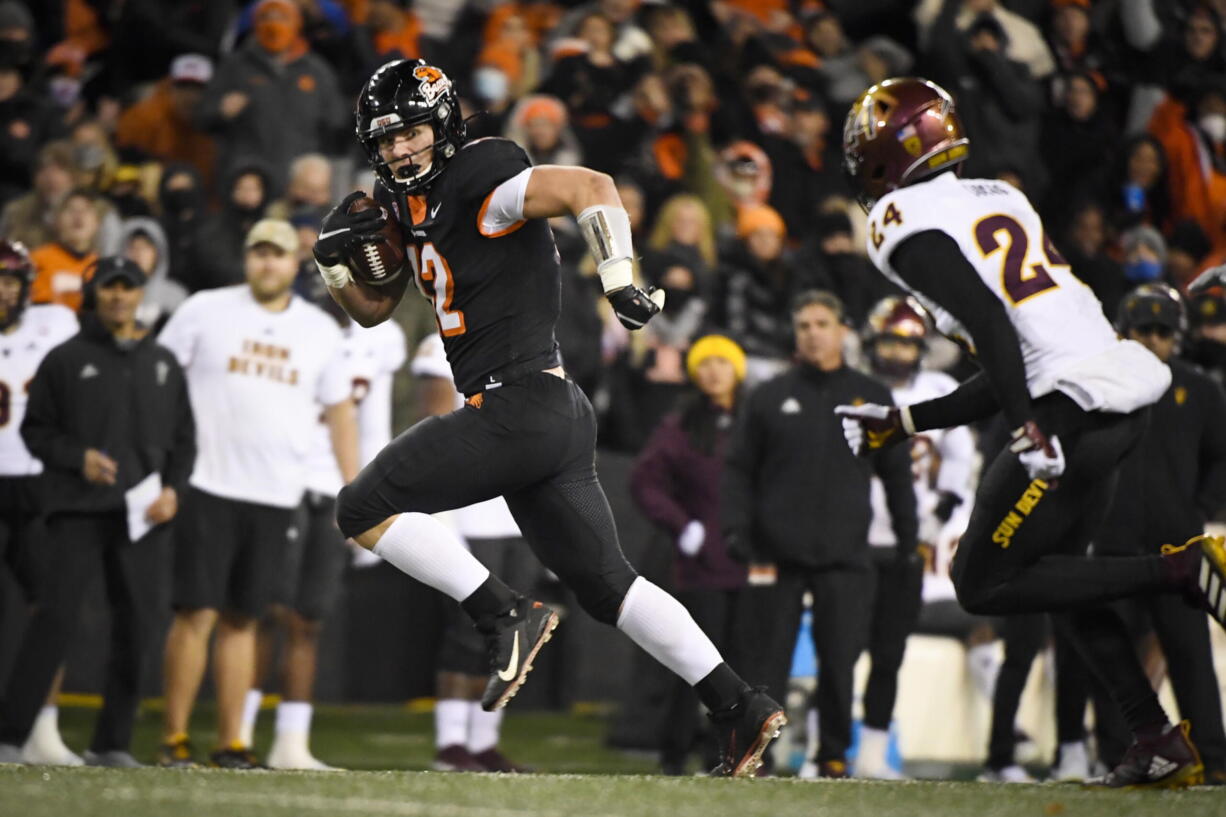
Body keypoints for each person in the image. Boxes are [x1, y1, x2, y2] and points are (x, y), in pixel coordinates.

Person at [312, 59, 784, 778]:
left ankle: (504, 613)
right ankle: (738, 704)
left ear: (440, 120)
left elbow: (591, 188)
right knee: (608, 586)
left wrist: (620, 274)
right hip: (547, 413)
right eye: (387, 140)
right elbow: (376, 311)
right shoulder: (402, 199)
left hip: (519, 401)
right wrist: (340, 269)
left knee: (362, 507)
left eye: (410, 132)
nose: (401, 150)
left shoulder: (482, 173)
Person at [836, 76, 1226, 788]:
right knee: (1049, 579)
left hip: (1065, 412)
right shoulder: (1000, 196)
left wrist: (1024, 425)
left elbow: (991, 325)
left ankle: (1179, 570)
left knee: (980, 581)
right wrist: (910, 419)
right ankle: (1155, 735)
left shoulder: (895, 217)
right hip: (1116, 393)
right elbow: (1026, 343)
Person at [156, 219, 358, 769]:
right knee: (195, 612)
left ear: (296, 263)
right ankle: (174, 736)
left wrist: (355, 491)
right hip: (206, 482)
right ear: (247, 258)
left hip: (277, 493)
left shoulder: (319, 329)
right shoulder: (204, 308)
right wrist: (157, 468)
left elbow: (339, 413)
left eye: (278, 255)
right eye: (259, 253)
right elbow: (159, 380)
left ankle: (233, 741)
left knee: (244, 618)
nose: (268, 264)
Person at [0, 256, 195, 768]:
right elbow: (34, 430)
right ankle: (10, 736)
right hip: (77, 511)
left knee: (137, 625)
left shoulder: (163, 361)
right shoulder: (64, 360)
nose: (118, 297)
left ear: (139, 295)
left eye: (127, 288)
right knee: (55, 620)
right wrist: (76, 458)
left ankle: (111, 743)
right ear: (93, 295)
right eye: (108, 288)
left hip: (144, 516)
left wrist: (174, 490)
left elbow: (185, 440)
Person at [721, 290, 917, 778]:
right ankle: (757, 757)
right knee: (766, 665)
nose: (813, 333)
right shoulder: (769, 395)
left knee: (839, 661)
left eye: (822, 324)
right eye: (804, 325)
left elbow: (896, 473)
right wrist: (736, 529)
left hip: (847, 553)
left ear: (843, 330)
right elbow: (740, 469)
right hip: (776, 551)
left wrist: (909, 538)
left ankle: (833, 757)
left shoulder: (872, 395)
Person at [1091, 283, 1226, 784]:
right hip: (1112, 546)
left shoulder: (1200, 390)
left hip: (1179, 551)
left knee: (1191, 656)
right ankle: (1118, 758)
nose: (1151, 340)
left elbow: (1221, 457)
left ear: (1178, 337)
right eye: (1142, 330)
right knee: (1111, 656)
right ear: (1122, 333)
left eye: (1162, 331)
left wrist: (1198, 510)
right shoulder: (1098, 388)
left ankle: (1214, 760)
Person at [857, 295, 976, 779]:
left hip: (911, 536)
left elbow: (961, 460)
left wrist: (939, 512)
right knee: (839, 648)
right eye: (889, 342)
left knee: (889, 651)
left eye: (906, 345)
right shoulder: (855, 387)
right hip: (854, 536)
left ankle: (871, 751)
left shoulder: (939, 387)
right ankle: (826, 745)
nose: (897, 354)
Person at [411, 332, 539, 774]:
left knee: (512, 636)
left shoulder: (535, 346)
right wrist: (442, 520)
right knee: (466, 635)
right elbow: (428, 434)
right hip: (467, 514)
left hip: (516, 514)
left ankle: (483, 743)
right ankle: (451, 744)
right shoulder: (439, 345)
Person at [630, 334, 750, 775]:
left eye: (722, 361)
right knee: (695, 666)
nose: (713, 371)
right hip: (702, 567)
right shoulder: (681, 425)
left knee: (749, 664)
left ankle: (733, 754)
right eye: (704, 363)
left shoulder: (756, 419)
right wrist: (682, 527)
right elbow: (645, 481)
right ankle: (676, 754)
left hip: (756, 562)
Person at [0, 240, 78, 765]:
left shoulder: (55, 326)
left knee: (53, 603)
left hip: (36, 481)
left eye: (9, 279)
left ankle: (40, 726)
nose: (3, 289)